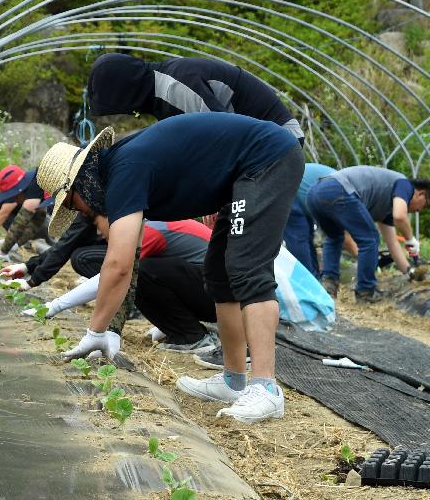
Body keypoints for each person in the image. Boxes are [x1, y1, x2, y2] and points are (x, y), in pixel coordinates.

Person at [37, 112, 303, 424]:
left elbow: (118, 264)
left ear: (81, 183)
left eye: (71, 203)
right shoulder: (118, 170)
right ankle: (234, 381)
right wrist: (109, 328)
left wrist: (94, 330)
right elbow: (129, 260)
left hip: (265, 159)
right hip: (239, 176)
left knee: (246, 269)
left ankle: (266, 388)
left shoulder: (124, 171)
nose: (80, 211)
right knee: (218, 274)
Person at [17, 218, 219, 353]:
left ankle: (194, 337)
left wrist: (54, 307)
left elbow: (111, 278)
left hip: (218, 296)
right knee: (138, 272)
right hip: (206, 290)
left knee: (140, 270)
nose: (98, 231)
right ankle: (184, 332)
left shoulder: (147, 232)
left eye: (98, 223)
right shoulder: (143, 225)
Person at [87, 53, 305, 142]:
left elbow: (222, 136)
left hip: (280, 137)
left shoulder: (175, 86)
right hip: (259, 141)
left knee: (243, 229)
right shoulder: (157, 95)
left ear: (125, 90)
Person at [306, 165, 430, 301]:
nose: (420, 210)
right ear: (421, 194)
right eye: (424, 205)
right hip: (337, 189)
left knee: (335, 237)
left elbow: (392, 243)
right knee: (370, 239)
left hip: (315, 193)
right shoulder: (404, 184)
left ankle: (328, 286)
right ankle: (365, 291)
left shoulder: (387, 207)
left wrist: (409, 272)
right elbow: (400, 216)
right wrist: (410, 239)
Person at [283, 163, 359, 277]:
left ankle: (314, 280)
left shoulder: (353, 189)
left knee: (307, 237)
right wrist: (362, 256)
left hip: (298, 189)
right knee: (299, 239)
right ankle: (308, 285)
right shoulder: (348, 195)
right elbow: (345, 237)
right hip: (287, 189)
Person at [0, 165, 49, 261]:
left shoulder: (34, 185)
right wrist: (16, 244)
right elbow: (37, 221)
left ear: (19, 189)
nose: (16, 201)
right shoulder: (37, 189)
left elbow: (20, 222)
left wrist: (3, 251)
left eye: (15, 197)